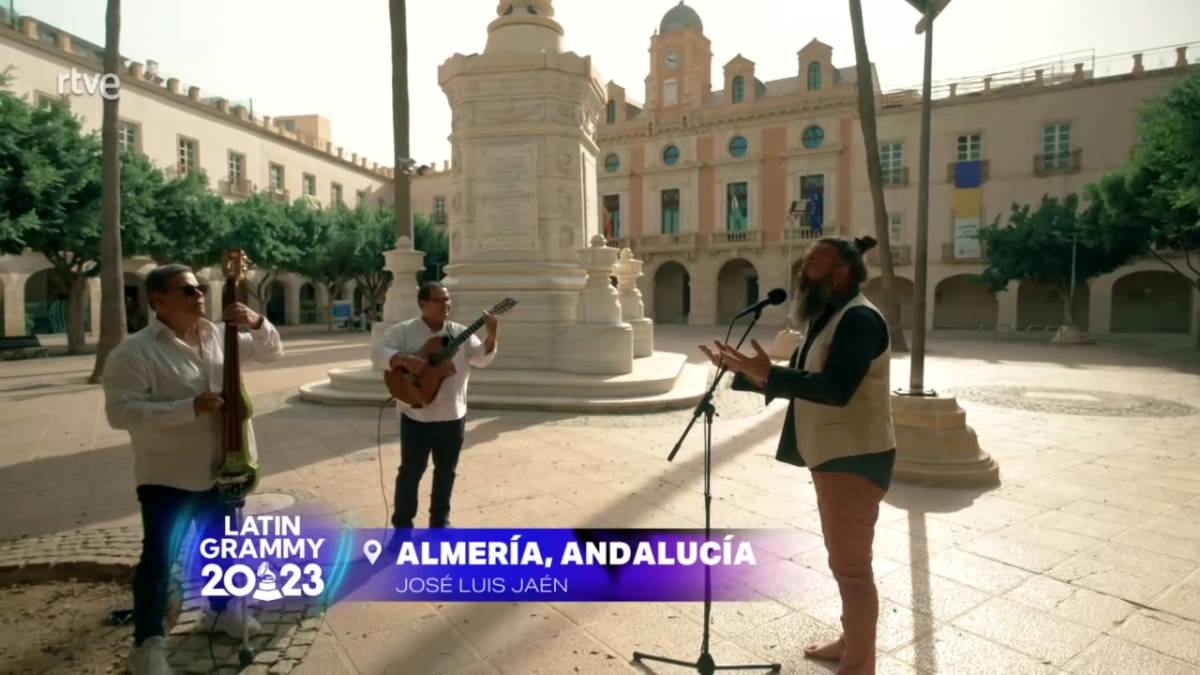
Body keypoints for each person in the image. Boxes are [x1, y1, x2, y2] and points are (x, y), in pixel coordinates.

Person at [701, 235, 895, 675]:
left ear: (841, 272)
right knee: (843, 561)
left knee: (852, 569)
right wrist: (750, 374)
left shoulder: (859, 320)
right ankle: (850, 641)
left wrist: (769, 374)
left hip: (856, 459)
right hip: (835, 457)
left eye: (813, 263)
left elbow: (835, 389)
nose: (803, 270)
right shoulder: (831, 315)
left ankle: (858, 666)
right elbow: (807, 378)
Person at [102, 264, 284, 675]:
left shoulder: (219, 337)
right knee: (159, 559)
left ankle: (220, 613)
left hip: (226, 467)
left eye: (199, 288)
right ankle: (148, 643)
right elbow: (121, 413)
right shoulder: (134, 352)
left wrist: (255, 321)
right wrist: (188, 408)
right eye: (186, 290)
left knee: (220, 546)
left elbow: (272, 351)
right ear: (158, 301)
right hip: (169, 475)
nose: (198, 295)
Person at [372, 281, 498, 540]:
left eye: (448, 299)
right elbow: (378, 351)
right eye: (439, 300)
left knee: (446, 471)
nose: (446, 305)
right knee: (410, 472)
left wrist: (492, 334)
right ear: (423, 303)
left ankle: (440, 523)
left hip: (452, 415)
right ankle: (403, 529)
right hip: (416, 414)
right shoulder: (404, 331)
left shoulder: (460, 332)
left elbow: (481, 358)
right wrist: (403, 359)